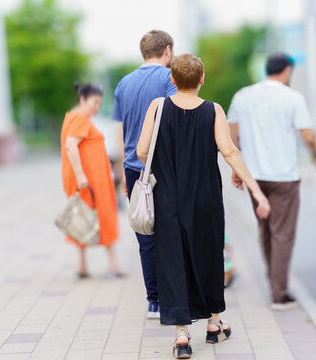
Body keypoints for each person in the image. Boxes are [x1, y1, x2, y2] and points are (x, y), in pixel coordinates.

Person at [136, 54, 271, 359]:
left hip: (167, 198)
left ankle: (182, 337)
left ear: (172, 80)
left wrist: (163, 171)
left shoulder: (158, 107)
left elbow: (142, 150)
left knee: (173, 262)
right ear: (202, 79)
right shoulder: (214, 110)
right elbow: (230, 151)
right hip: (205, 199)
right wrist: (256, 191)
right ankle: (213, 323)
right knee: (208, 257)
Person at [228, 53, 316, 310]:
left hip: (255, 178)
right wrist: (315, 156)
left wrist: (238, 168)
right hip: (284, 177)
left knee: (266, 229)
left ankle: (274, 280)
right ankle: (279, 293)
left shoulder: (242, 96)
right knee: (283, 234)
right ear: (287, 71)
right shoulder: (293, 98)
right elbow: (308, 135)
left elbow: (231, 136)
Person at [112, 30, 177, 319]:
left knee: (144, 233)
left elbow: (119, 128)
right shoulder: (167, 78)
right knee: (170, 231)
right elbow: (177, 116)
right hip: (161, 165)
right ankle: (175, 295)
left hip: (131, 167)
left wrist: (120, 168)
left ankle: (155, 302)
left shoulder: (123, 83)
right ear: (168, 50)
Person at [61, 83, 121, 278]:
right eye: (94, 103)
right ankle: (112, 263)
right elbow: (71, 146)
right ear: (83, 99)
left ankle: (82, 265)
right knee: (102, 215)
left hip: (86, 179)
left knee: (81, 217)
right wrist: (81, 175)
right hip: (89, 181)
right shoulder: (80, 119)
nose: (97, 107)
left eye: (100, 104)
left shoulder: (74, 117)